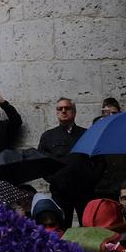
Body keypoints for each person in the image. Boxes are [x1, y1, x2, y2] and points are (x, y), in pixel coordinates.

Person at [37, 97, 92, 227]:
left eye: (67, 108)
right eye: (59, 109)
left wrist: (91, 179)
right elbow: (41, 162)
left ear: (74, 111)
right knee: (61, 227)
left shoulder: (86, 134)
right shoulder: (48, 136)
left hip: (84, 192)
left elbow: (99, 161)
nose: (63, 111)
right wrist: (55, 180)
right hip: (60, 192)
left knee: (88, 227)